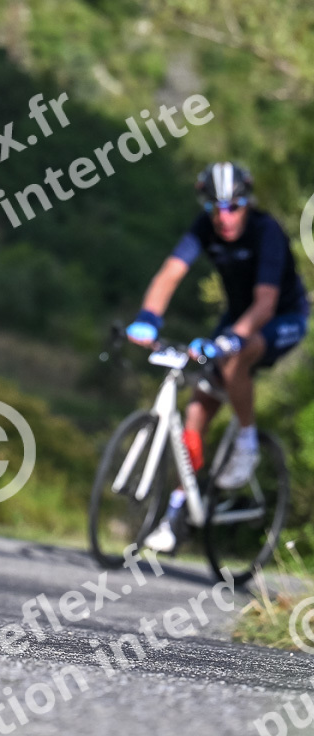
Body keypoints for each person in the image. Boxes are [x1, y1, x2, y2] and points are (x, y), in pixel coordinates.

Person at [126, 161, 307, 550]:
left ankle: (247, 441)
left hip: (280, 317)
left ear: (247, 203)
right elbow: (169, 274)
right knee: (198, 408)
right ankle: (178, 510)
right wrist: (148, 318)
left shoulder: (266, 231)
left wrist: (230, 341)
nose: (224, 217)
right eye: (214, 208)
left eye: (233, 207)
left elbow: (265, 304)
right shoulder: (204, 228)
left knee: (235, 357)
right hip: (237, 317)